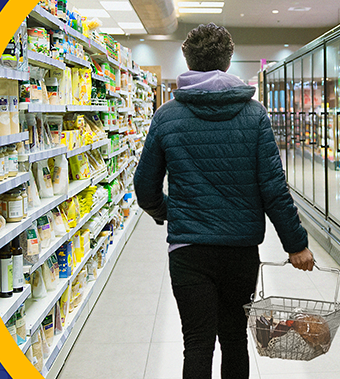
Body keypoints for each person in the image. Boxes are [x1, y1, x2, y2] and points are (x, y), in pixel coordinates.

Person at [133, 23, 314, 379]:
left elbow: (144, 187)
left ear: (187, 60)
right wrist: (296, 245)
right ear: (228, 62)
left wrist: (168, 212)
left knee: (197, 343)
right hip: (240, 250)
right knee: (234, 338)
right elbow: (273, 188)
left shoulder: (167, 116)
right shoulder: (254, 115)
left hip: (188, 251)